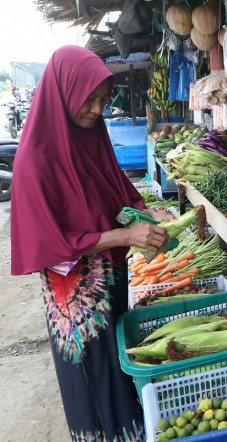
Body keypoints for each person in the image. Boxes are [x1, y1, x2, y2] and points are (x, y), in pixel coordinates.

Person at [10, 46, 174, 441]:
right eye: (91, 99)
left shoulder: (91, 139)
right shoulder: (34, 160)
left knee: (118, 373)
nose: (98, 109)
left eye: (104, 100)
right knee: (92, 379)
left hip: (111, 283)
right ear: (64, 90)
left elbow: (116, 193)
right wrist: (125, 236)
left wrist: (149, 215)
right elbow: (46, 240)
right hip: (76, 300)